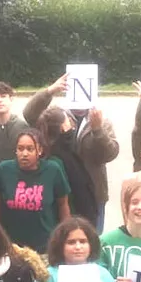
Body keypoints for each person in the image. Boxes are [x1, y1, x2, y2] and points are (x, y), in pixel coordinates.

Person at [24, 74, 120, 231]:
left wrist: (98, 130)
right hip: (61, 189)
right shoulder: (58, 114)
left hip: (92, 192)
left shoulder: (101, 120)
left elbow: (110, 154)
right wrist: (49, 91)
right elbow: (30, 114)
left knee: (91, 239)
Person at [0, 128, 72, 255]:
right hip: (11, 247)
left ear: (39, 150)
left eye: (30, 149)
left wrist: (66, 235)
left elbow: (63, 204)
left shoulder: (52, 170)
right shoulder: (4, 170)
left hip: (44, 246)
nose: (24, 153)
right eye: (20, 148)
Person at [37, 106, 101, 226]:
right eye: (68, 120)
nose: (72, 124)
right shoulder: (61, 159)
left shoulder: (59, 151)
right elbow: (77, 195)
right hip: (74, 223)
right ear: (62, 127)